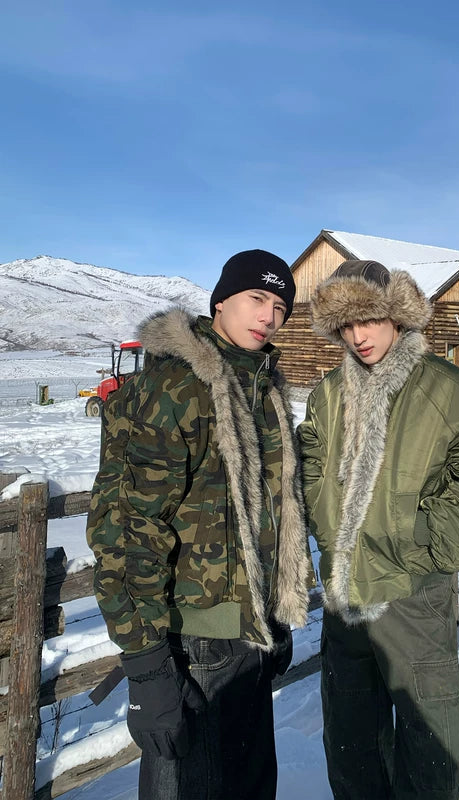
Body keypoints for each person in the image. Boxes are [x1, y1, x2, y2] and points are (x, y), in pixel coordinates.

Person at [297, 260, 459, 800]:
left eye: (369, 319)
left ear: (397, 316)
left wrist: (411, 535)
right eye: (345, 325)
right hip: (343, 599)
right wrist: (327, 529)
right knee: (351, 747)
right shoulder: (327, 395)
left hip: (413, 595)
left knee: (429, 747)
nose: (358, 336)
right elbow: (310, 471)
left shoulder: (446, 392)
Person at [86, 249, 312, 800]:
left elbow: (269, 511)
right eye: (257, 298)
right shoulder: (179, 386)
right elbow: (132, 528)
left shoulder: (263, 386)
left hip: (251, 634)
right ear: (220, 302)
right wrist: (147, 666)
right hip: (192, 645)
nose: (269, 316)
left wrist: (275, 615)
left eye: (281, 307)